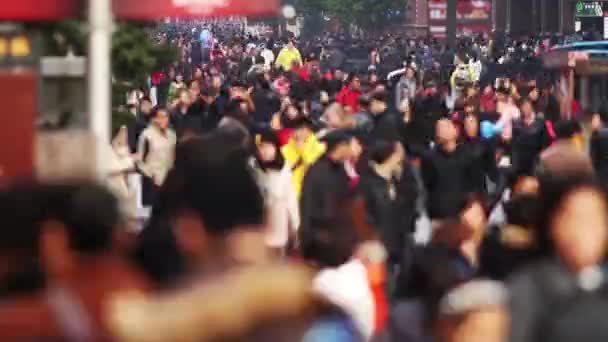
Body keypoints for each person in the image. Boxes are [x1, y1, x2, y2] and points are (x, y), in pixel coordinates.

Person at [509, 181, 608, 342]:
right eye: (575, 218)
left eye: (595, 219)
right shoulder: (530, 288)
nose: (585, 231)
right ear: (555, 224)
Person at [253, 131, 300, 255]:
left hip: (278, 232)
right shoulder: (254, 168)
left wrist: (296, 228)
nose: (264, 151)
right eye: (261, 147)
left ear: (276, 148)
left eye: (268, 146)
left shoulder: (284, 170)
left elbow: (291, 201)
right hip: (257, 232)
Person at [300, 130, 354, 234]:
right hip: (321, 234)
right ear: (341, 146)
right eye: (349, 145)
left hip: (338, 233)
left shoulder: (340, 168)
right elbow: (307, 205)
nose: (351, 150)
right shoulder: (316, 171)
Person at [137, 107, 177, 206]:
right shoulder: (146, 135)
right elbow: (140, 159)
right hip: (152, 181)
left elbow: (174, 156)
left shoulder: (172, 135)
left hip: (168, 181)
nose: (163, 120)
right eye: (160, 117)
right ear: (154, 119)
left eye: (166, 117)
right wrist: (150, 176)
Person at [281, 116, 327, 198]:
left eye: (303, 129)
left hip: (311, 194)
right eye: (296, 129)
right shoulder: (284, 150)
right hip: (290, 194)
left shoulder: (320, 148)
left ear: (309, 130)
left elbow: (311, 167)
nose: (299, 133)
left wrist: (302, 150)